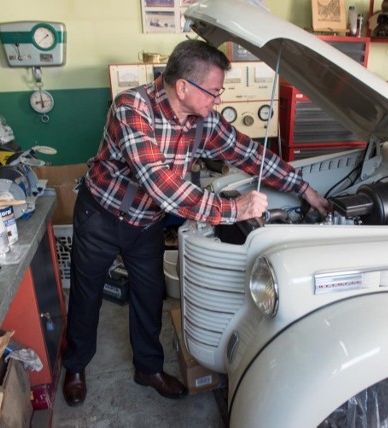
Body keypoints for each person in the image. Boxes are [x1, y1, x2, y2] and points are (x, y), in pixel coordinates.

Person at [61, 39, 331, 406]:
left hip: (146, 225)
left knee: (149, 296)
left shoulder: (203, 121)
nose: (217, 100)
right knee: (86, 294)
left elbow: (249, 154)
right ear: (184, 87)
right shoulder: (131, 108)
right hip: (102, 216)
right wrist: (235, 209)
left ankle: (148, 368)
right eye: (214, 92)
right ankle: (76, 366)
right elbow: (160, 184)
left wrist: (305, 189)